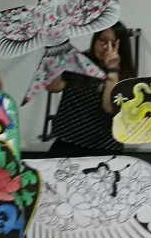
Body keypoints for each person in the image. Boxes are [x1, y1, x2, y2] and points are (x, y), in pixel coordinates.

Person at [45, 23, 133, 158]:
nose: (106, 47)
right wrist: (54, 54)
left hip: (104, 148)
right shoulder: (79, 61)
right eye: (102, 40)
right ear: (95, 39)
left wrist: (112, 69)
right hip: (67, 142)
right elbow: (53, 87)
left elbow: (109, 108)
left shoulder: (124, 73)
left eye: (113, 44)